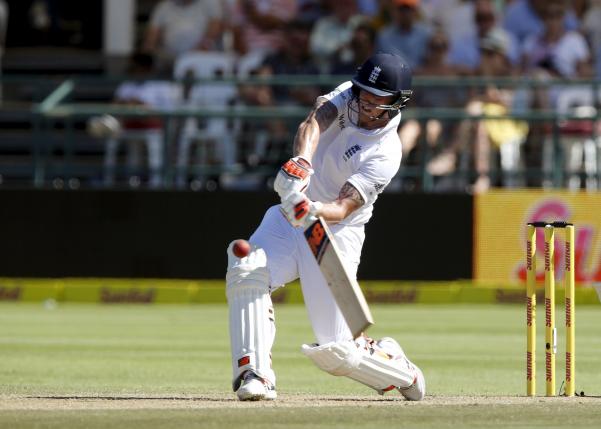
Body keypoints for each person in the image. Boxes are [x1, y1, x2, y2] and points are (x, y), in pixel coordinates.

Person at [225, 52, 426, 401]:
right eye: (365, 94)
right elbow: (313, 123)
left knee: (336, 353)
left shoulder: (386, 152)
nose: (367, 103)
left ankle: (399, 368)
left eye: (378, 99)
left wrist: (312, 207)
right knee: (247, 268)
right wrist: (301, 163)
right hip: (290, 221)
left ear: (397, 103)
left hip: (334, 234)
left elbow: (344, 206)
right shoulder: (348, 94)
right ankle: (255, 374)